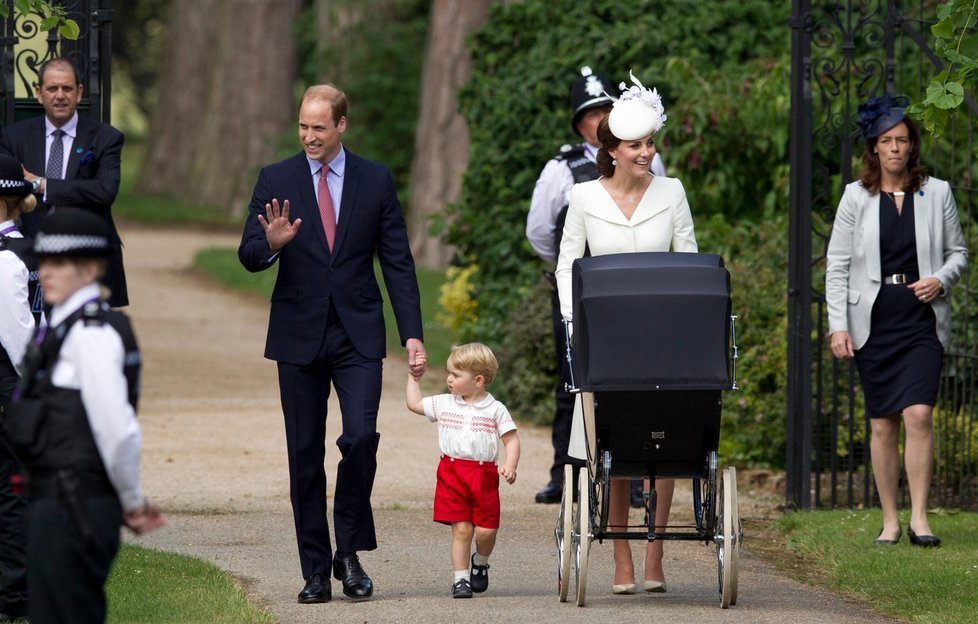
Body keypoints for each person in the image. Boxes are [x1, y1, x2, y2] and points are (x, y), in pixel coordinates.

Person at [238, 84, 427, 604]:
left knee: (360, 438)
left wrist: (411, 333)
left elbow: (398, 262)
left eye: (319, 127)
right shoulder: (276, 178)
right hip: (298, 335)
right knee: (304, 456)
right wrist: (271, 246)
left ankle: (349, 549)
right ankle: (317, 571)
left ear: (342, 126)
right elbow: (248, 253)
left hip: (358, 332)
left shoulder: (375, 179)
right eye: (303, 126)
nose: (309, 136)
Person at [555, 71, 697, 594]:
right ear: (612, 149)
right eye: (636, 145)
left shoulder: (673, 191)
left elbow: (690, 259)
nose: (647, 152)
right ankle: (620, 558)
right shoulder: (584, 197)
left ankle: (655, 555)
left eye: (650, 142)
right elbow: (569, 262)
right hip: (607, 338)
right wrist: (575, 322)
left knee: (664, 446)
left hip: (665, 339)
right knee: (613, 449)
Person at [4, 208, 164, 624]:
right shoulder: (64, 327)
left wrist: (130, 500)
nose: (47, 272)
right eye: (44, 261)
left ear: (91, 268)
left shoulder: (91, 335)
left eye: (60, 263)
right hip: (54, 500)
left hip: (75, 504)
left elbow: (117, 429)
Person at [826, 94, 967, 548]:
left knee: (919, 413)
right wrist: (837, 325)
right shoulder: (855, 196)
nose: (894, 148)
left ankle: (920, 518)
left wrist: (940, 280)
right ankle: (890, 519)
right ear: (874, 148)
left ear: (912, 146)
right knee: (884, 422)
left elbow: (958, 253)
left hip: (921, 316)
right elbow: (837, 265)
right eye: (886, 140)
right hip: (873, 316)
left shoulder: (938, 192)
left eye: (902, 140)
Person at [527, 66, 664, 508]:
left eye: (608, 108)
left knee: (641, 384)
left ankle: (638, 474)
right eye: (592, 112)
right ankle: (566, 473)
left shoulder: (647, 158)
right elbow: (541, 230)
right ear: (580, 121)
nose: (601, 117)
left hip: (638, 288)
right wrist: (569, 272)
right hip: (581, 287)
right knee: (573, 380)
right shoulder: (562, 167)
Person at [0, 57, 128, 307]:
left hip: (85, 252)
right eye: (52, 88)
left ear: (79, 93)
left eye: (67, 88)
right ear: (39, 93)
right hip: (29, 250)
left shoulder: (106, 137)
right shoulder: (14, 137)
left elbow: (105, 191)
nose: (60, 95)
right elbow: (8, 191)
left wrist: (42, 184)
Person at [405, 343, 520, 599]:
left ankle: (480, 560)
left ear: (478, 380)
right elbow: (413, 404)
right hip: (451, 473)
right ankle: (460, 579)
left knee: (486, 530)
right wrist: (414, 378)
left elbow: (511, 440)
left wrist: (510, 464)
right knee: (462, 529)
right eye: (449, 372)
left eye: (456, 375)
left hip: (483, 476)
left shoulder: (495, 409)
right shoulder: (445, 404)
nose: (449, 378)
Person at [0, 155, 41, 622]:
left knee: (12, 491)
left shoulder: (8, 261)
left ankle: (14, 594)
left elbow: (19, 337)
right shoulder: (28, 251)